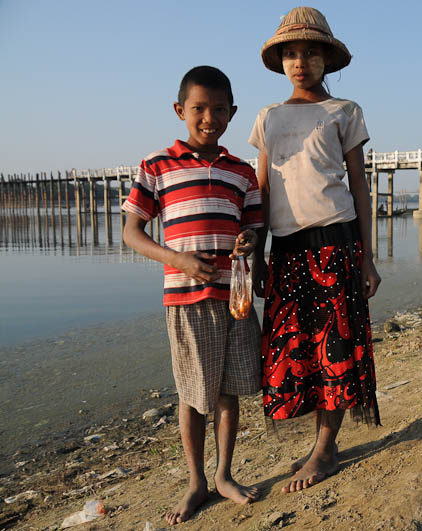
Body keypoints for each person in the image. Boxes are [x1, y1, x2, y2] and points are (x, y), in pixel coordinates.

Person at [122, 66, 264, 525]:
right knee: (192, 391)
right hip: (185, 297)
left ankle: (223, 473)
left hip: (234, 296)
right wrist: (177, 260)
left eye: (219, 109)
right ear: (180, 110)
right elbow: (131, 232)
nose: (209, 117)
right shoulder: (157, 165)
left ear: (232, 113)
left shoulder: (242, 172)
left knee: (228, 390)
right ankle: (196, 481)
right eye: (199, 109)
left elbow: (255, 232)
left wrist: (248, 243)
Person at [249, 7, 381, 494]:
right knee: (293, 351)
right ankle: (318, 442)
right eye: (290, 53)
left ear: (327, 58)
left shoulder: (344, 111)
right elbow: (263, 190)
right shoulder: (269, 118)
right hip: (286, 252)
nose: (299, 62)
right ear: (280, 61)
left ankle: (326, 449)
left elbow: (360, 188)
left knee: (336, 349)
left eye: (309, 52)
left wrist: (368, 257)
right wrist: (259, 253)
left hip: (336, 244)